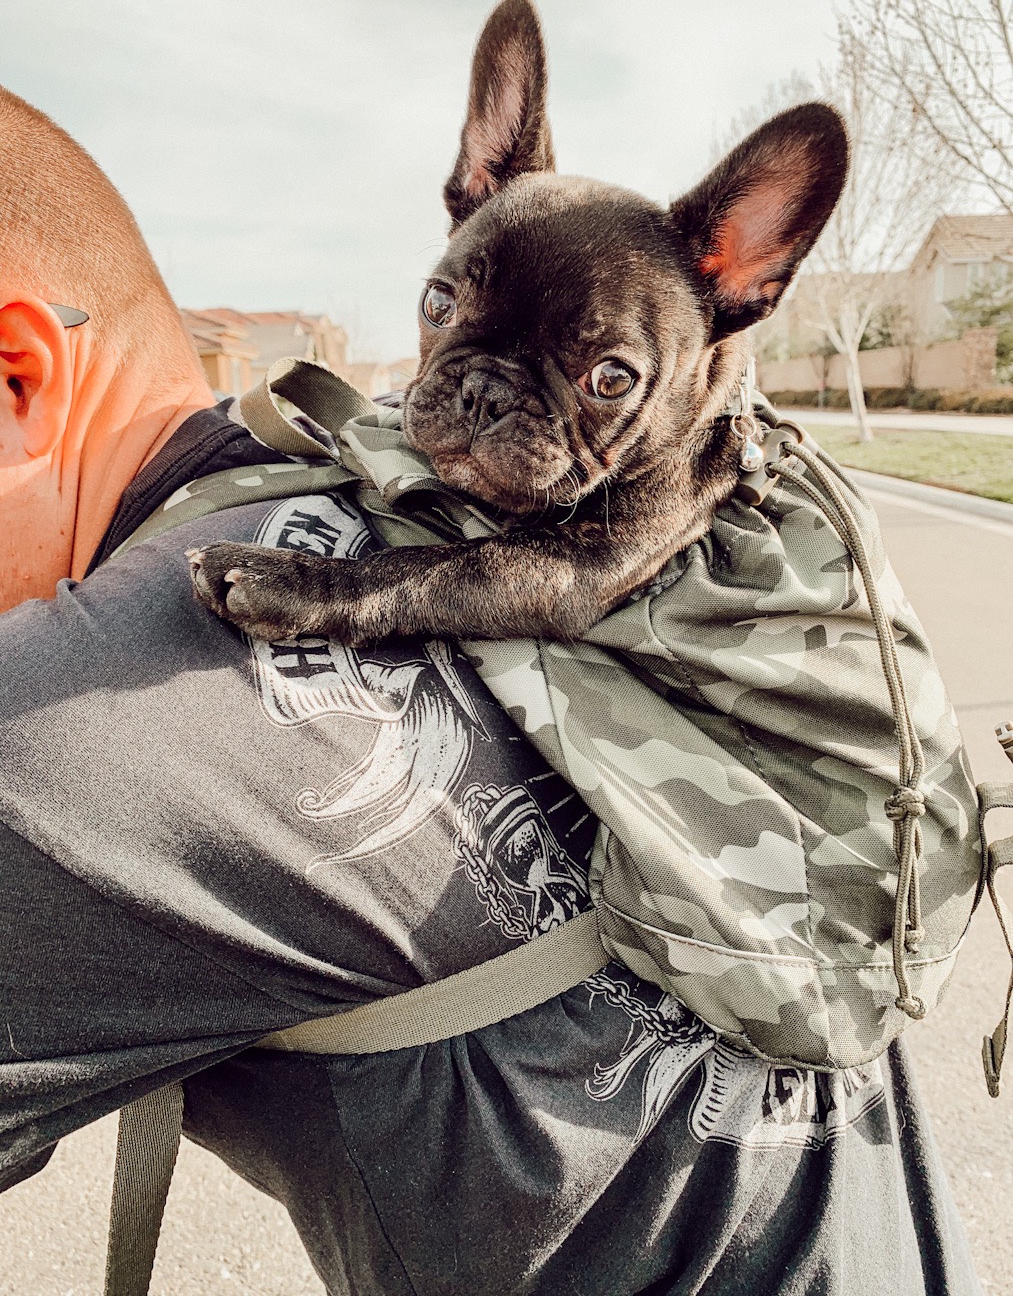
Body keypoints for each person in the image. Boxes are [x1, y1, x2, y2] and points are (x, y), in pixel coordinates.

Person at [0, 87, 983, 1296]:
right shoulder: (344, 478)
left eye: (601, 376)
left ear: (16, 373)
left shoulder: (73, 733)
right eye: (444, 313)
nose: (475, 399)